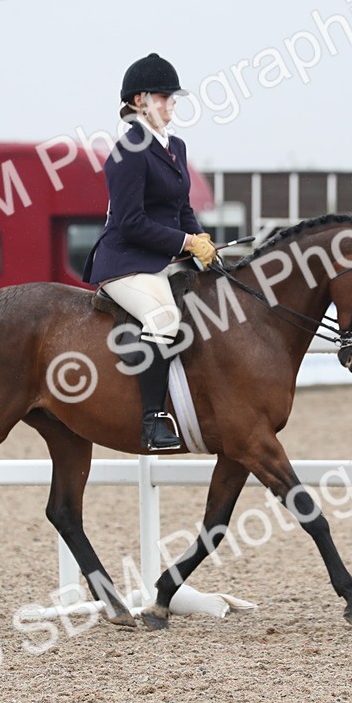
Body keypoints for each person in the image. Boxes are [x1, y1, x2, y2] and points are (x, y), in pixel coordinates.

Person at [82, 53, 217, 451]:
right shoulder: (127, 152)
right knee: (164, 317)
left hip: (164, 259)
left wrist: (203, 242)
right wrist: (185, 243)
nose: (172, 103)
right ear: (140, 100)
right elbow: (130, 223)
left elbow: (182, 208)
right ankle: (153, 420)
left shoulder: (175, 145)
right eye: (164, 96)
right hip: (126, 262)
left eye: (172, 97)